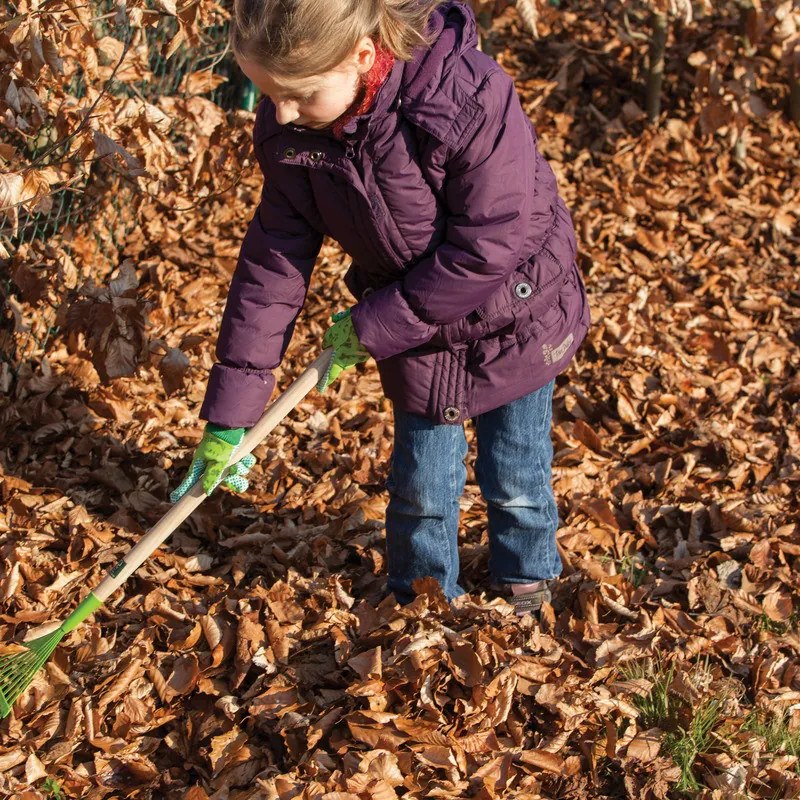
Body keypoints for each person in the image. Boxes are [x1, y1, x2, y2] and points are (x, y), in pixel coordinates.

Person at [170, 0, 590, 616]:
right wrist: (232, 414)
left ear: (362, 55)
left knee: (516, 472)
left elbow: (487, 245)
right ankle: (422, 600)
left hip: (515, 311)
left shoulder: (465, 97)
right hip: (416, 325)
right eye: (269, 94)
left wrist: (376, 324)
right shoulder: (294, 132)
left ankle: (527, 579)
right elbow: (273, 262)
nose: (281, 112)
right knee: (421, 482)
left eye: (299, 94)